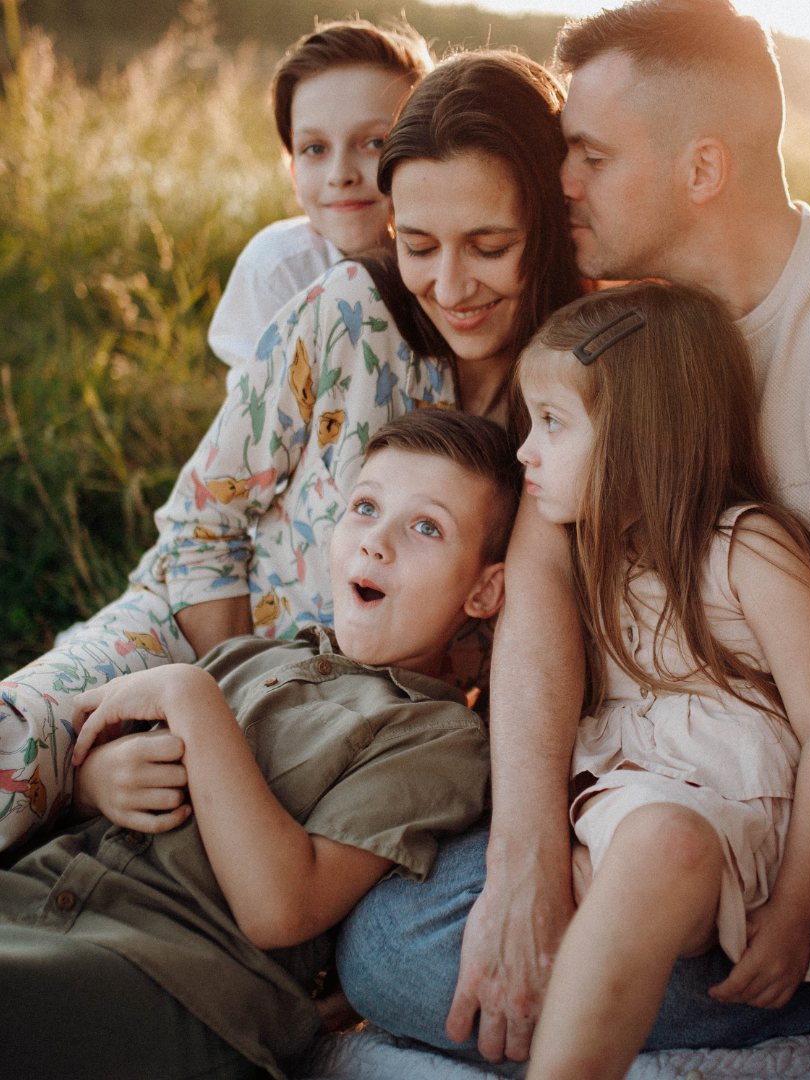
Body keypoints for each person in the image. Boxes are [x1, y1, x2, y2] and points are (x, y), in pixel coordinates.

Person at [337, 1, 810, 1076]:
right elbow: (540, 584)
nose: (563, 184)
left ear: (702, 168)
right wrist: (528, 857)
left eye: (588, 155)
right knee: (391, 947)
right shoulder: (609, 329)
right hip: (668, 805)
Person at [0, 49, 582, 852]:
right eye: (417, 244)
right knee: (17, 743)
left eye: (489, 246)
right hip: (196, 645)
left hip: (373, 737)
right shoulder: (347, 315)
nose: (450, 286)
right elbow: (202, 527)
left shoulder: (582, 386)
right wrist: (223, 714)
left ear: (548, 225)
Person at [0, 409, 517, 1080]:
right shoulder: (251, 657)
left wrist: (191, 699)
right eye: (365, 507)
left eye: (426, 528)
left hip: (175, 980)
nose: (377, 543)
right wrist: (95, 784)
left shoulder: (436, 736)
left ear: (484, 589)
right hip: (32, 905)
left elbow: (281, 908)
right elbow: (98, 796)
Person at [518, 282, 810, 1080]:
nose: (524, 453)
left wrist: (794, 912)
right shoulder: (584, 561)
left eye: (550, 425)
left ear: (640, 438)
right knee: (664, 845)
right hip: (670, 834)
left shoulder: (747, 549)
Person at [207, 18, 431, 374]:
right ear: (294, 172)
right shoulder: (277, 270)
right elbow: (260, 416)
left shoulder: (455, 265)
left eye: (375, 143)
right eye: (315, 148)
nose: (341, 174)